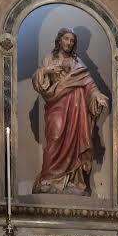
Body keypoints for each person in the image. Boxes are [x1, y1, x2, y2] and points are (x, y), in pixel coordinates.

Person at [32, 27, 109, 195]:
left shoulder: (77, 62)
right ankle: (48, 177)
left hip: (76, 108)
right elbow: (40, 84)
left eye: (72, 40)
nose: (69, 43)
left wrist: (97, 95)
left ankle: (73, 181)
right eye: (66, 39)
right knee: (55, 136)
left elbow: (89, 83)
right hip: (57, 106)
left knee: (75, 141)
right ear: (59, 40)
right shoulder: (49, 59)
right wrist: (46, 70)